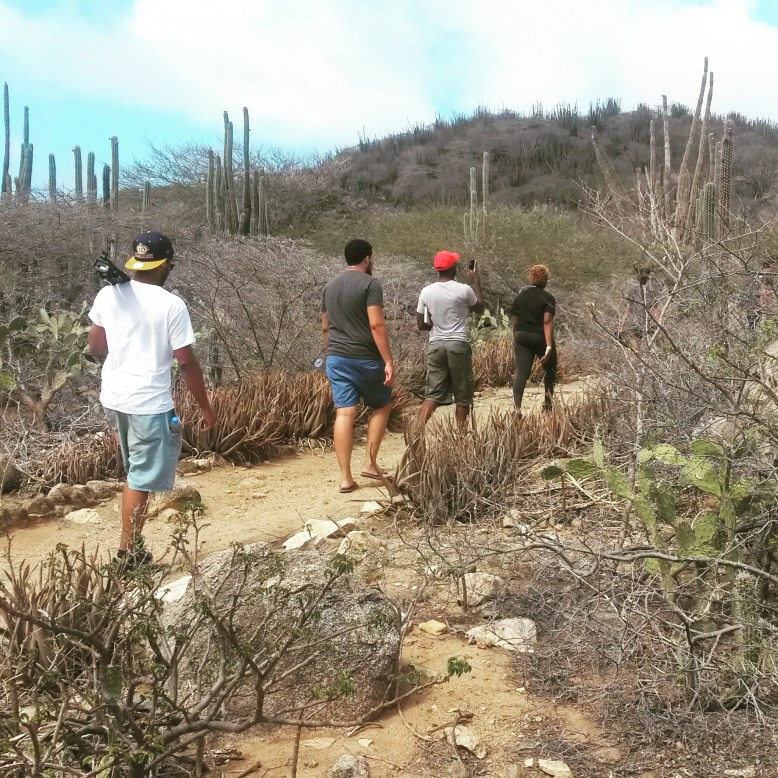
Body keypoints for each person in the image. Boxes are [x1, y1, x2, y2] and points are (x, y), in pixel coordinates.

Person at [88, 231, 216, 568]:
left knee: (135, 471)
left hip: (114, 397)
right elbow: (186, 361)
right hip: (148, 402)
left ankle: (133, 548)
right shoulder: (172, 305)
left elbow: (96, 348)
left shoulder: (108, 294)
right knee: (141, 479)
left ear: (135, 261)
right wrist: (205, 406)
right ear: (166, 265)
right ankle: (128, 554)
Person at [321, 239, 395, 494]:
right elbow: (376, 324)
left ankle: (346, 479)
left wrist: (331, 352)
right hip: (365, 357)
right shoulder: (370, 284)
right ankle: (370, 464)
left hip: (336, 357)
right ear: (367, 258)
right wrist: (387, 360)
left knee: (344, 413)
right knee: (382, 405)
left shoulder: (330, 286)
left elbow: (325, 327)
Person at [415, 250, 485, 431]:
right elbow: (479, 308)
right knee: (462, 396)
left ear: (438, 269)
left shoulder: (426, 291)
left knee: (433, 395)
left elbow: (421, 324)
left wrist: (437, 326)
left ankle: (416, 431)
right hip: (458, 345)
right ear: (452, 267)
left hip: (436, 345)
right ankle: (461, 440)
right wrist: (475, 279)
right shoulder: (463, 289)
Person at [510, 264, 556, 415]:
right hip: (539, 337)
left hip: (521, 336)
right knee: (550, 369)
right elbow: (547, 322)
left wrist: (516, 339)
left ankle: (517, 409)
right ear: (545, 280)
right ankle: (548, 405)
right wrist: (548, 346)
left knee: (521, 372)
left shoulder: (520, 297)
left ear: (531, 278)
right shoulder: (548, 298)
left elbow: (515, 321)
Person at [620, 265, 662, 347]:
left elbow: (628, 307)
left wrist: (622, 324)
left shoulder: (632, 287)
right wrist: (658, 324)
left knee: (635, 349)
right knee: (657, 345)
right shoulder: (653, 287)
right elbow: (655, 308)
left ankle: (635, 359)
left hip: (632, 322)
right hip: (647, 322)